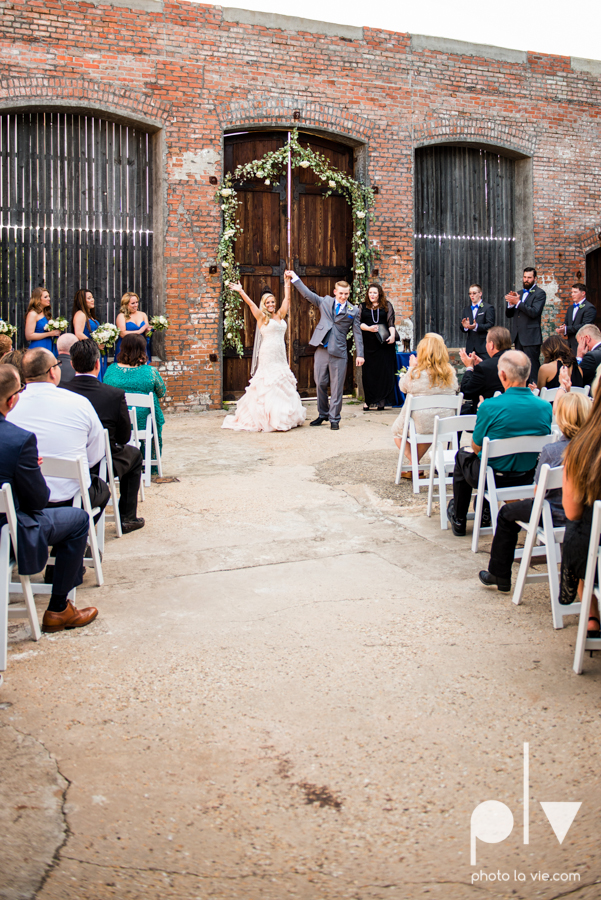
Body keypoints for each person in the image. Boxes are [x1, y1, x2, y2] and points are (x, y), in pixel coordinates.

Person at [0, 364, 97, 634]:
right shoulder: (18, 441)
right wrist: (30, 469)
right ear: (12, 400)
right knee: (78, 519)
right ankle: (58, 609)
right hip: (8, 533)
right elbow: (38, 500)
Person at [478, 391, 591, 591]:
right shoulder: (594, 451)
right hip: (589, 518)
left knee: (506, 513)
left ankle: (499, 574)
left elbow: (539, 493)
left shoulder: (552, 451)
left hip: (553, 515)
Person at [448, 350, 553, 537]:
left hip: (493, 477)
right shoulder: (545, 407)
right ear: (527, 375)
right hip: (526, 475)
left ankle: (459, 517)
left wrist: (482, 412)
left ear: (502, 375)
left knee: (463, 457)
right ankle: (484, 512)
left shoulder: (490, 406)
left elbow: (477, 446)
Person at [7, 348, 110, 517]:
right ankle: (77, 537)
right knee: (102, 490)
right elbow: (96, 453)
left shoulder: (10, 405)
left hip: (22, 497)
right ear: (52, 372)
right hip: (71, 497)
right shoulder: (79, 403)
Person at [61, 339, 145, 533]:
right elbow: (124, 437)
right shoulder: (114, 394)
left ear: (72, 364)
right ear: (98, 364)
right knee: (134, 455)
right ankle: (127, 517)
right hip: (102, 464)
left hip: (67, 461)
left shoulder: (61, 391)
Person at [222, 277, 306, 432]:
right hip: (267, 353)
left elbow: (287, 299)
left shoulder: (280, 315)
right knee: (268, 383)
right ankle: (268, 418)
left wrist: (287, 282)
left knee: (282, 380)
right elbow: (250, 304)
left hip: (280, 354)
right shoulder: (261, 317)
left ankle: (283, 415)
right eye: (268, 303)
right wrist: (241, 291)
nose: (271, 305)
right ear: (264, 304)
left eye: (273, 302)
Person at [285, 269, 364, 430]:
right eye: (341, 293)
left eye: (346, 294)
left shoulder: (353, 311)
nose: (343, 297)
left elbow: (357, 333)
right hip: (322, 348)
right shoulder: (326, 302)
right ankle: (323, 414)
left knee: (336, 386)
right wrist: (294, 278)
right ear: (335, 292)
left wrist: (360, 354)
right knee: (320, 382)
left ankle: (335, 418)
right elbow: (308, 294)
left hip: (339, 351)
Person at [558, 387, 601, 637]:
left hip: (594, 550)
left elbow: (572, 512)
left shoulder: (582, 449)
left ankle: (591, 616)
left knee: (580, 529)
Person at [391, 333, 458, 475]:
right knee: (431, 427)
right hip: (445, 424)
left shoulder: (416, 374)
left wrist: (411, 368)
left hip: (421, 424)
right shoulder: (451, 373)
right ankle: (413, 465)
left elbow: (403, 387)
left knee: (397, 433)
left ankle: (415, 464)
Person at [104, 333, 166, 458]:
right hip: (143, 423)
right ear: (142, 350)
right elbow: (161, 392)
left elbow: (106, 390)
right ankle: (147, 459)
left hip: (118, 421)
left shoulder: (111, 370)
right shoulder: (150, 372)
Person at [359, 283, 397, 410]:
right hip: (369, 344)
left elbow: (391, 322)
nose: (372, 295)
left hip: (383, 344)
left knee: (383, 372)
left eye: (374, 293)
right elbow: (358, 323)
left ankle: (382, 401)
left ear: (379, 293)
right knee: (369, 373)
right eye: (370, 293)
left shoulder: (386, 305)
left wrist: (392, 336)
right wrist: (369, 328)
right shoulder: (363, 306)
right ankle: (368, 401)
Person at [505, 267, 546, 381]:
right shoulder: (519, 293)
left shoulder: (540, 293)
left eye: (529, 277)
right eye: (524, 277)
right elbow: (509, 314)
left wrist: (518, 302)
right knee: (520, 369)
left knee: (532, 368)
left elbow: (534, 312)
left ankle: (534, 393)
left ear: (535, 279)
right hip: (518, 337)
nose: (526, 280)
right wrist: (511, 304)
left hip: (531, 338)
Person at [459, 326, 511, 412]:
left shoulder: (484, 368)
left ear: (491, 345)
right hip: (513, 410)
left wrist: (469, 367)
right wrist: (483, 363)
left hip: (488, 413)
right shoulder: (520, 361)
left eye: (486, 342)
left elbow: (466, 392)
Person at [72, 288, 108, 380]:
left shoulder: (89, 315)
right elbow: (78, 333)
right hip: (87, 352)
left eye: (92, 297)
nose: (92, 300)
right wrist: (95, 344)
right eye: (89, 298)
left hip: (94, 350)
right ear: (82, 301)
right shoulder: (80, 314)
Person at [556, 283, 597, 355]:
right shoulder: (570, 308)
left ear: (583, 293)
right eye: (572, 292)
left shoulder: (589, 308)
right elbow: (567, 323)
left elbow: (585, 326)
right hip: (570, 345)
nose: (572, 294)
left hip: (582, 345)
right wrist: (562, 328)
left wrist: (566, 329)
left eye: (575, 292)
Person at [114, 292, 152, 361]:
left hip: (140, 347)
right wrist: (139, 331)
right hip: (127, 347)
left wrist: (148, 330)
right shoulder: (121, 316)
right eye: (132, 303)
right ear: (126, 304)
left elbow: (146, 334)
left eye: (137, 302)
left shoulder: (143, 314)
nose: (136, 305)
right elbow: (122, 334)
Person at [460, 284, 495, 358]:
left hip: (483, 347)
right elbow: (462, 327)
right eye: (470, 293)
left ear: (480, 294)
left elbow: (490, 325)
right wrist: (465, 327)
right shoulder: (466, 310)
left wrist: (476, 327)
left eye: (474, 293)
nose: (472, 295)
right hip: (470, 347)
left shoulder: (488, 308)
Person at [24, 287, 60, 357]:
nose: (49, 299)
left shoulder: (46, 313)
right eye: (45, 297)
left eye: (49, 296)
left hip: (49, 345)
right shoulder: (32, 314)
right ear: (38, 299)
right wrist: (49, 334)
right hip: (38, 347)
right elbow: (29, 336)